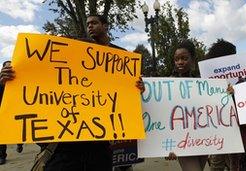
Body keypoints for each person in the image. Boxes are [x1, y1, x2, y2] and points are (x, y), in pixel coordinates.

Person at [0, 14, 145, 171]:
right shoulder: (56, 81)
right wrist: (13, 81)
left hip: (99, 149)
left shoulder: (114, 66)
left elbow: (123, 100)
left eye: (94, 23)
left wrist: (136, 89)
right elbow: (33, 96)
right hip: (62, 151)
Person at [166, 40, 208, 171]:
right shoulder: (166, 84)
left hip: (204, 138)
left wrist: (228, 92)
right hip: (181, 140)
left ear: (193, 59)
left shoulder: (204, 81)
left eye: (184, 58)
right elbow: (163, 115)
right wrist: (169, 146)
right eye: (176, 59)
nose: (179, 62)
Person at [204, 40, 241, 171]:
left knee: (230, 160)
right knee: (220, 160)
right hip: (219, 122)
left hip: (232, 123)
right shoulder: (207, 74)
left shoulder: (239, 75)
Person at [0, 61, 23, 165]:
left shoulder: (20, 79)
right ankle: (2, 156)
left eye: (11, 66)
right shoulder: (1, 81)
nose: (9, 68)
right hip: (4, 113)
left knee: (19, 130)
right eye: (7, 67)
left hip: (17, 111)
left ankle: (19, 143)